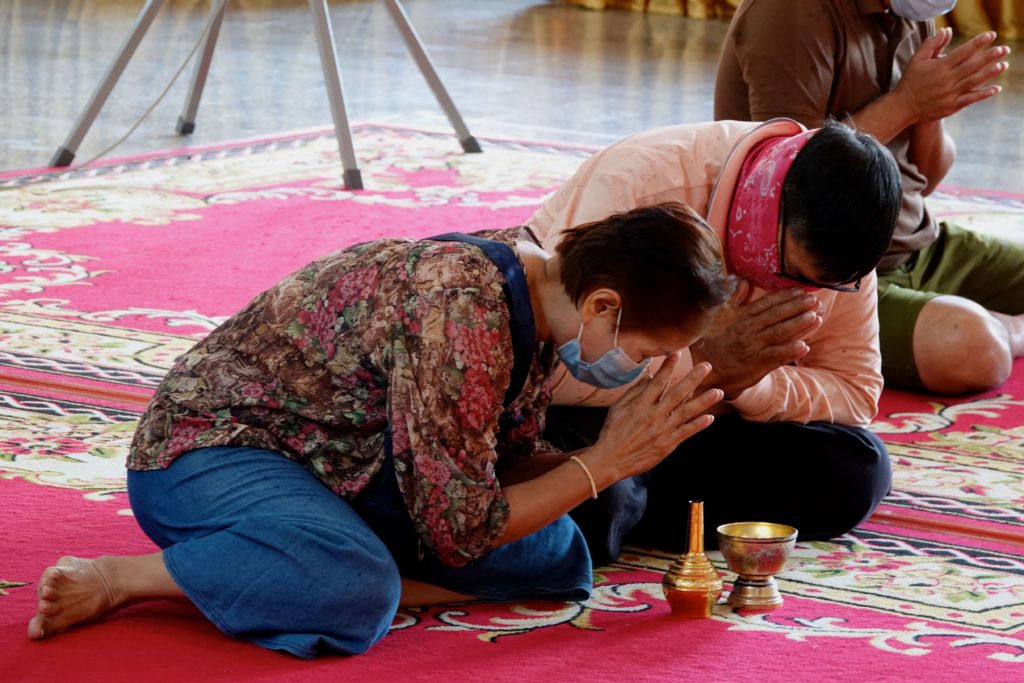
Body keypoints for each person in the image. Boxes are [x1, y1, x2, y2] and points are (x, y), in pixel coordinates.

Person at [27, 203, 733, 657]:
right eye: (643, 353)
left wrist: (601, 462)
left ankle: (316, 564)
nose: (643, 370)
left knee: (558, 554)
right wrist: (603, 461)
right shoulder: (460, 310)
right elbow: (461, 528)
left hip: (347, 469)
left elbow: (486, 478)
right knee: (357, 589)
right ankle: (130, 578)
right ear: (604, 305)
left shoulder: (543, 303)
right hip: (212, 450)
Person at [528, 118, 902, 563]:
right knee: (596, 499)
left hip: (708, 419)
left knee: (857, 471)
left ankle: (628, 507)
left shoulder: (842, 255)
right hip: (590, 412)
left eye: (824, 286)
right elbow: (553, 365)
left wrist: (748, 385)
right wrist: (706, 362)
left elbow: (855, 394)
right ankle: (621, 505)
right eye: (792, 274)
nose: (800, 294)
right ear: (764, 209)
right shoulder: (644, 183)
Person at [715, 0, 1020, 395]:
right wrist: (906, 103)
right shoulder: (790, 11)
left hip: (916, 246)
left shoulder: (910, 11)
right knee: (974, 349)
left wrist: (931, 109)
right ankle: (1009, 328)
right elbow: (784, 178)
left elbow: (923, 180)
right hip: (825, 276)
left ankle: (980, 319)